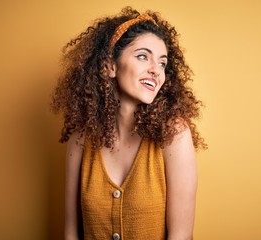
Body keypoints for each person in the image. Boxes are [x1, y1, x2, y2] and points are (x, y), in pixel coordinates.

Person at [51, 6, 207, 240]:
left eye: (162, 63)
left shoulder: (173, 134)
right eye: (143, 56)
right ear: (110, 66)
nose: (156, 70)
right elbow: (71, 233)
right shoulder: (81, 139)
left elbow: (181, 236)